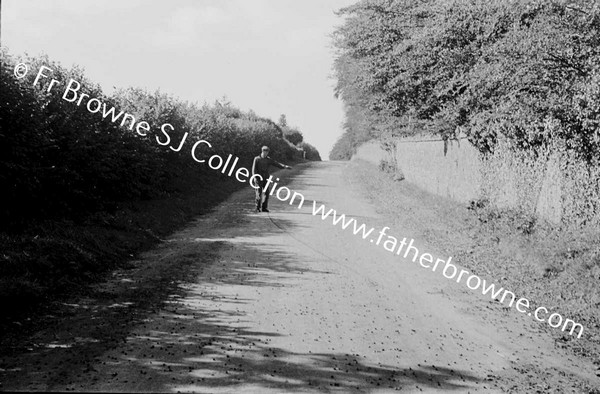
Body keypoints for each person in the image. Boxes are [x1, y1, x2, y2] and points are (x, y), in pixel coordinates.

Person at [251, 145, 291, 212]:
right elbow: (253, 169)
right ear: (262, 151)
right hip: (258, 178)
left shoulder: (268, 160)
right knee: (258, 193)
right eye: (265, 152)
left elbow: (276, 164)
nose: (266, 153)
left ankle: (264, 208)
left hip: (266, 178)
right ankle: (257, 207)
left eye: (267, 152)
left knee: (266, 193)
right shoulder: (257, 159)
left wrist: (284, 166)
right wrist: (254, 177)